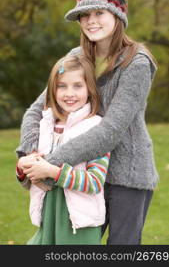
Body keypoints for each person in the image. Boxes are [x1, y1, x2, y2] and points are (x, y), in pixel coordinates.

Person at [16, 0, 159, 245]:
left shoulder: (137, 63)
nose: (90, 21)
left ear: (117, 16)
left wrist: (51, 164)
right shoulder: (77, 57)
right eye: (84, 15)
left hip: (126, 176)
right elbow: (38, 109)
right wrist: (30, 153)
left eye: (98, 13)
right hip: (81, 171)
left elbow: (112, 130)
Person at [16, 54, 110, 245]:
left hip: (79, 225)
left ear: (90, 88)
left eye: (77, 85)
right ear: (52, 90)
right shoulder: (45, 126)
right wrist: (23, 166)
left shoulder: (96, 128)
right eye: (62, 86)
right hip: (48, 217)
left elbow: (95, 182)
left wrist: (54, 172)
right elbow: (32, 179)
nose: (69, 93)